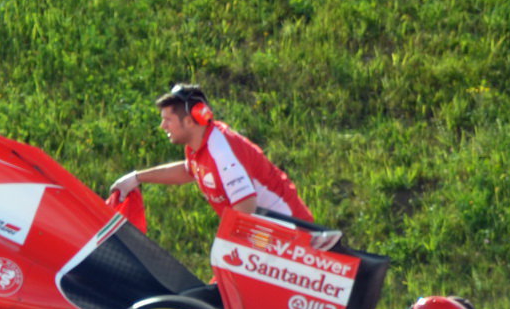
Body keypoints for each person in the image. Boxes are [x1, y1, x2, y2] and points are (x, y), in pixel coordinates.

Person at [110, 84, 340, 248]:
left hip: (290, 237)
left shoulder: (220, 151)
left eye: (168, 120)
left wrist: (229, 246)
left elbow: (246, 204)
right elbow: (189, 170)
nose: (162, 126)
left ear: (190, 121)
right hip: (272, 236)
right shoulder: (201, 144)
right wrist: (137, 177)